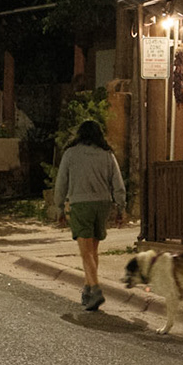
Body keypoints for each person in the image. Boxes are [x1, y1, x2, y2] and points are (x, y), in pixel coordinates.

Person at [52, 119, 128, 311]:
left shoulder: (70, 154)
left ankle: (95, 288)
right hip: (102, 204)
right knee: (93, 249)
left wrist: (59, 207)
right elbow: (117, 182)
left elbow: (61, 182)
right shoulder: (107, 154)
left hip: (81, 203)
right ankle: (87, 288)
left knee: (85, 251)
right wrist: (121, 207)